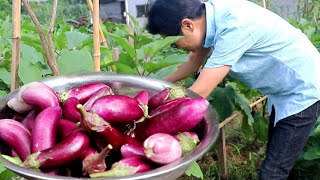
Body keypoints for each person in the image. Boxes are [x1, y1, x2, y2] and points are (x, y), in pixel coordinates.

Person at [146, 0, 320, 179]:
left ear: (188, 25)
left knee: (273, 172)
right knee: (277, 160)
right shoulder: (210, 17)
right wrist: (149, 85)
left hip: (303, 91)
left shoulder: (234, 26)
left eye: (175, 43)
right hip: (284, 90)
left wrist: (151, 121)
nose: (178, 47)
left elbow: (200, 92)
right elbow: (191, 63)